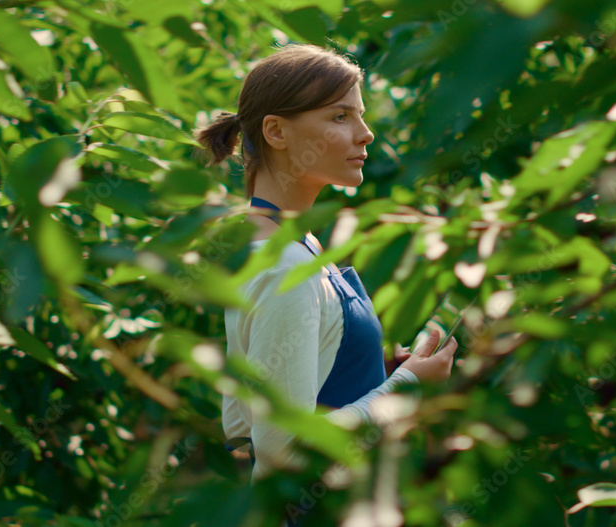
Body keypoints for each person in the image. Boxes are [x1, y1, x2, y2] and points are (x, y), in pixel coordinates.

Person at [194, 43, 459, 495]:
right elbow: (287, 450)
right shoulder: (283, 263)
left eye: (359, 114)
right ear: (277, 132)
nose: (366, 134)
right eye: (340, 117)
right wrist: (406, 384)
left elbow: (241, 420)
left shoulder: (289, 241)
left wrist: (373, 368)